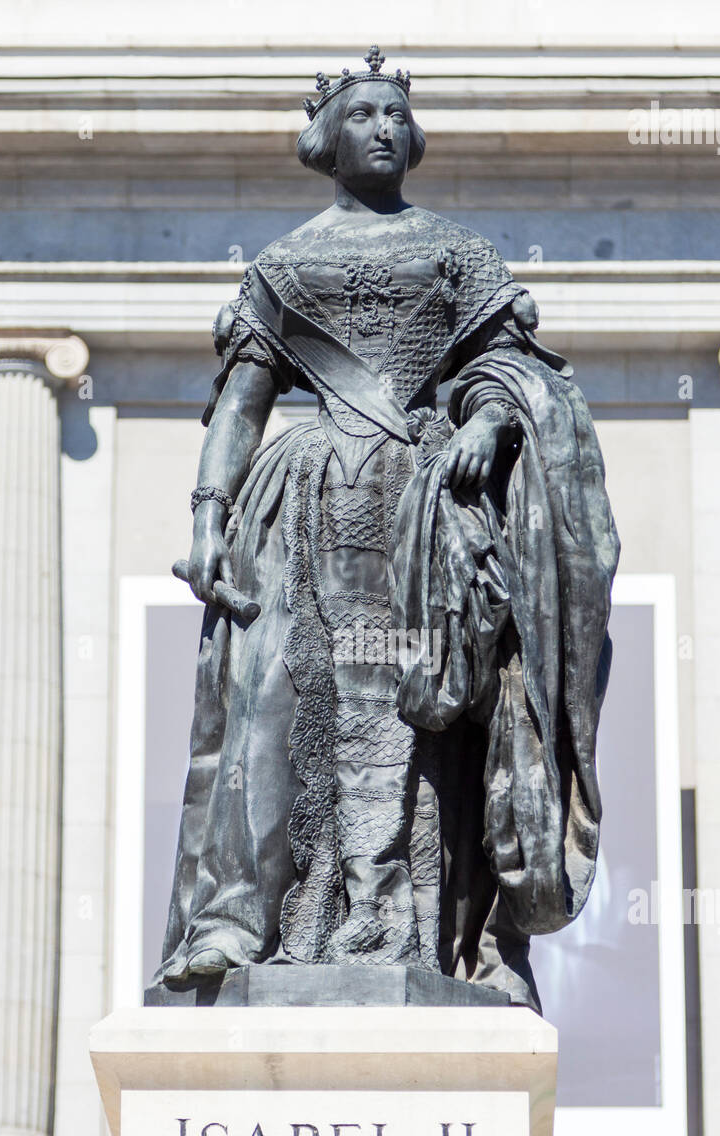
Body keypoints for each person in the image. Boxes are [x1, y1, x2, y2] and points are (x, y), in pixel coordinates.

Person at [156, 46, 619, 1008]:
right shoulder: (282, 266)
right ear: (326, 140)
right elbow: (241, 405)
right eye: (362, 114)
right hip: (302, 499)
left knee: (419, 713)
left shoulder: (457, 255)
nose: (381, 128)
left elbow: (522, 375)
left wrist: (491, 424)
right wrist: (208, 519)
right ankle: (240, 924)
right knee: (271, 705)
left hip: (419, 502)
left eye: (395, 116)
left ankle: (420, 931)